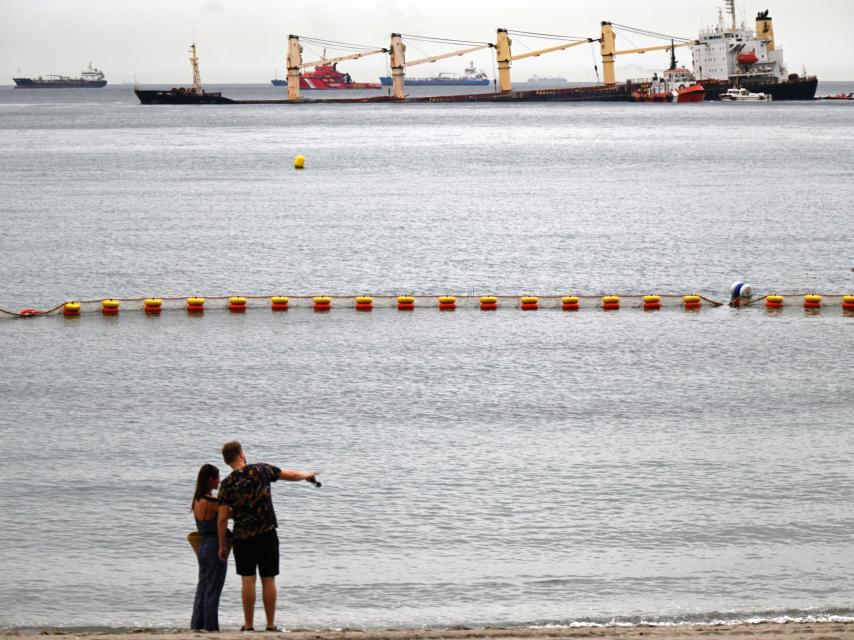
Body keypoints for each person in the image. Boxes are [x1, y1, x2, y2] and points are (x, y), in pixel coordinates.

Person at [217, 441, 318, 632]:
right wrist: (307, 475)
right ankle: (270, 625)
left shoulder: (226, 484)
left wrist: (222, 546)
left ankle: (248, 626)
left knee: (247, 580)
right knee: (268, 579)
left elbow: (222, 519)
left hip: (242, 537)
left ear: (226, 461)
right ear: (241, 454)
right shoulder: (261, 470)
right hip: (266, 533)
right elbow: (289, 474)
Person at [191, 464, 228, 632]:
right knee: (213, 588)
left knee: (203, 586)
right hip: (214, 545)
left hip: (202, 545)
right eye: (217, 478)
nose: (219, 482)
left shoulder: (197, 499)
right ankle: (211, 627)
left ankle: (197, 625)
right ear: (210, 480)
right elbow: (224, 519)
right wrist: (222, 547)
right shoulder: (213, 502)